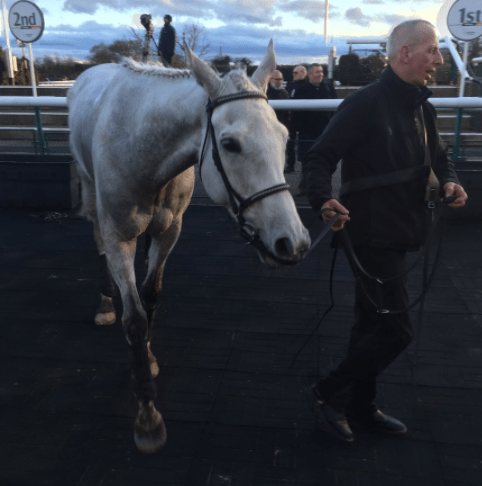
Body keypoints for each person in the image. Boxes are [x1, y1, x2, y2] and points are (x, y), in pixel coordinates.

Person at [303, 19, 468, 443]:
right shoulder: (364, 103)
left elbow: (440, 158)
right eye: (431, 50)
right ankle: (327, 393)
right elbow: (319, 157)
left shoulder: (423, 108)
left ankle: (359, 405)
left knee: (370, 324)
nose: (437, 59)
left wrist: (449, 179)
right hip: (369, 233)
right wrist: (322, 200)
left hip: (403, 229)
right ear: (405, 54)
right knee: (396, 330)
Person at [293, 64, 337, 192]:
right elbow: (297, 114)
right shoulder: (301, 90)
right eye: (317, 72)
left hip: (325, 132)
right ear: (310, 74)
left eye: (322, 72)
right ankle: (305, 186)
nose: (320, 74)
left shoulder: (329, 88)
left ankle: (323, 187)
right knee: (307, 160)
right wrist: (297, 130)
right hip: (307, 133)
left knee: (325, 161)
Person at [284, 65, 308, 173]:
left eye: (296, 73)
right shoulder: (289, 85)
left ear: (303, 73)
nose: (293, 75)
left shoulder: (307, 86)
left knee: (304, 142)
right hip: (292, 119)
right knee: (290, 143)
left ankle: (305, 164)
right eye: (293, 73)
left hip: (303, 119)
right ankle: (290, 164)